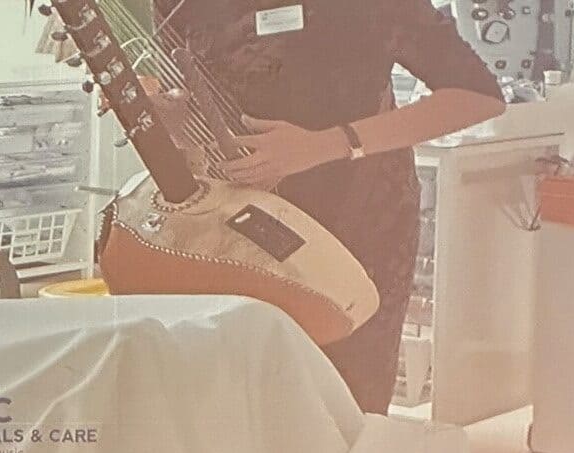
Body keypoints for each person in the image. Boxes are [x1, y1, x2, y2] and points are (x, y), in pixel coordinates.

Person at [165, 0, 504, 413]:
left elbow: (477, 95)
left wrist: (327, 144)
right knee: (233, 411)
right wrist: (165, 115)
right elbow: (182, 100)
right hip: (229, 227)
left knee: (340, 412)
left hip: (354, 226)